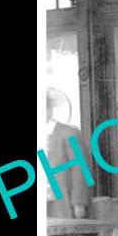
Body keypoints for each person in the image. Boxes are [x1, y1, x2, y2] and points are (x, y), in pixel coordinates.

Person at [45, 89, 91, 219]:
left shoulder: (68, 133)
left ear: (48, 109)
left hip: (60, 203)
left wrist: (78, 202)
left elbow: (80, 169)